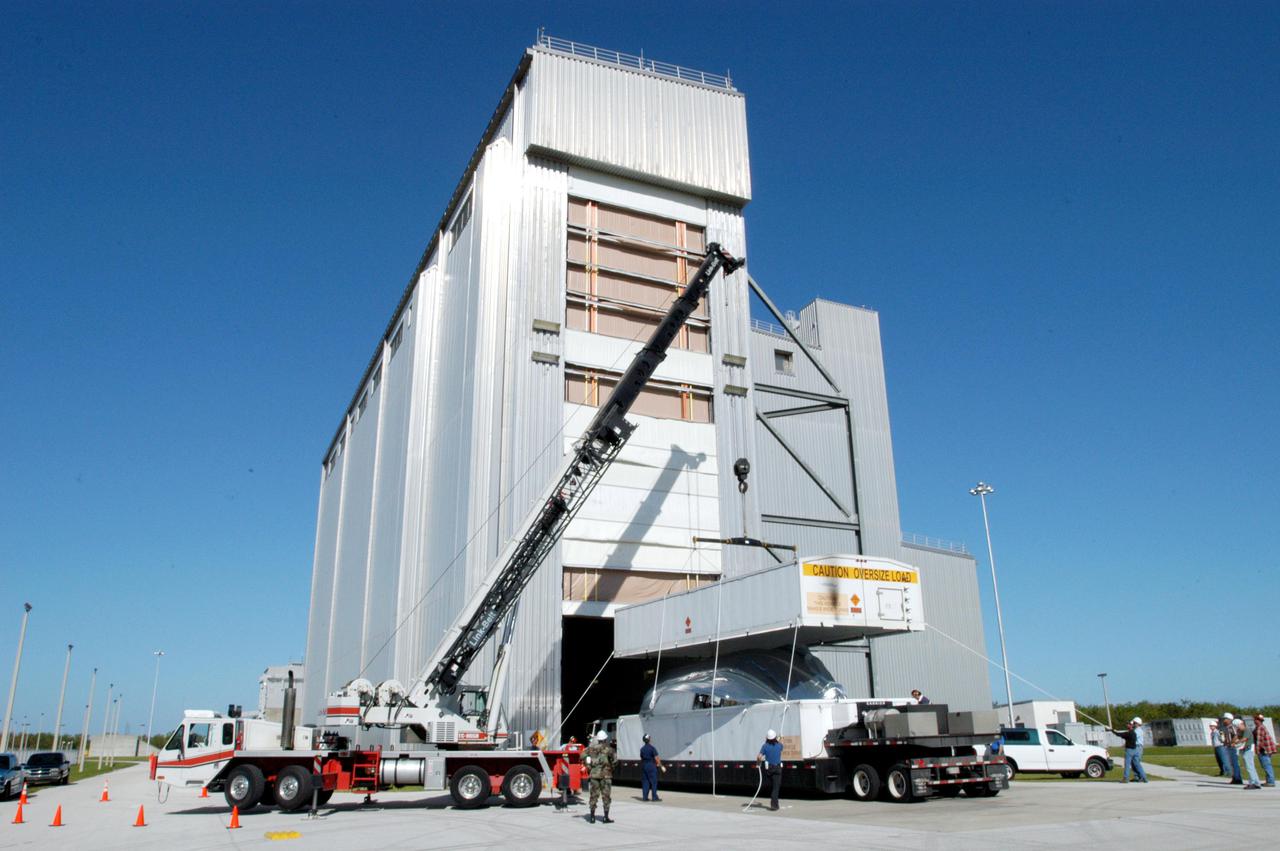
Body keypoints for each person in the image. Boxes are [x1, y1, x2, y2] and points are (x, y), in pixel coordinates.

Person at [585, 730, 617, 823]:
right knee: (606, 796)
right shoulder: (609, 749)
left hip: (594, 775)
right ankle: (605, 817)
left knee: (593, 796)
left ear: (598, 739)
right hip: (606, 776)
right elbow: (615, 761)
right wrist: (611, 769)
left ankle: (592, 817)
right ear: (605, 739)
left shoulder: (590, 749)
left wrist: (589, 767)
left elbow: (583, 756)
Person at [757, 729, 784, 811]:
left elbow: (759, 757)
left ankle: (774, 803)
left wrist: (758, 763)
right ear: (775, 737)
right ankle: (774, 805)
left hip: (769, 769)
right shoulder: (779, 745)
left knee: (773, 787)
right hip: (777, 768)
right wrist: (780, 738)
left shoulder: (764, 746)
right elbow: (780, 745)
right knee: (776, 787)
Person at [1236, 718, 1262, 789]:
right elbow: (1237, 737)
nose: (1237, 728)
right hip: (1245, 749)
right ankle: (1257, 783)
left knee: (1249, 767)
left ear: (1241, 724)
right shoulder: (1241, 731)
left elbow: (1244, 739)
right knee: (1251, 767)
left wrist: (1236, 742)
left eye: (1238, 726)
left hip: (1248, 750)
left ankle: (1252, 782)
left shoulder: (1246, 730)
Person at [1253, 715, 1275, 787]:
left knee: (1266, 765)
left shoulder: (1260, 728)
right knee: (1267, 765)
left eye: (1257, 719)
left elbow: (1259, 741)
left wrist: (1257, 750)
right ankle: (1269, 780)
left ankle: (1271, 781)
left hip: (1264, 749)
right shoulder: (1259, 727)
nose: (1255, 721)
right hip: (1267, 748)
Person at [640, 734, 663, 802]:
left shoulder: (642, 749)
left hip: (644, 765)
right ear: (649, 739)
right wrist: (661, 765)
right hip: (651, 765)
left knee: (645, 781)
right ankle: (654, 797)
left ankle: (645, 797)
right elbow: (656, 758)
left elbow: (641, 758)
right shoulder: (652, 748)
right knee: (653, 782)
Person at [1221, 713, 1243, 784]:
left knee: (1234, 763)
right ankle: (1235, 778)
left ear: (1228, 719)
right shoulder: (1227, 727)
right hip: (1229, 746)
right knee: (1232, 763)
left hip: (1232, 748)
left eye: (1225, 719)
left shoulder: (1231, 727)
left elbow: (1236, 735)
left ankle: (1237, 778)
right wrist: (1226, 742)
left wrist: (1231, 743)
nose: (1223, 720)